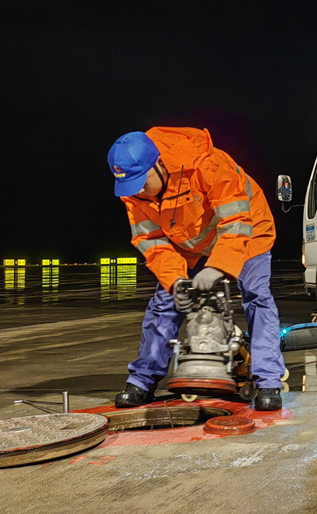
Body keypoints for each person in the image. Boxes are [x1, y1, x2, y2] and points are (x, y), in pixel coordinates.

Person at [107, 128, 286, 411]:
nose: (138, 191)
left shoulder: (207, 163)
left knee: (256, 296)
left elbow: (236, 221)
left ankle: (268, 382)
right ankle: (142, 380)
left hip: (247, 228)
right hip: (189, 239)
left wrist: (217, 268)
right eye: (130, 186)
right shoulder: (134, 191)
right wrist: (176, 281)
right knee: (165, 301)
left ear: (159, 163)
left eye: (142, 182)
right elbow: (151, 241)